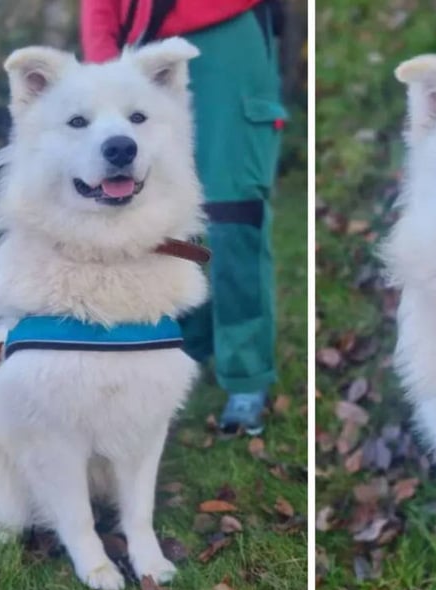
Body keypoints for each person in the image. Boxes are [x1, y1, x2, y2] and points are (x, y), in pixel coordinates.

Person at [81, 0, 286, 435]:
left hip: (228, 33)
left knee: (234, 214)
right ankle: (179, 346)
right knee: (155, 209)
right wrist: (102, 77)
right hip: (140, 43)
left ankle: (245, 370)